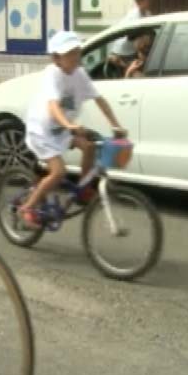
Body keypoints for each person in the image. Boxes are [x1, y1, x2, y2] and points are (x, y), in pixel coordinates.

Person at [17, 31, 125, 228]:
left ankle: (83, 190)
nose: (75, 56)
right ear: (57, 58)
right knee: (58, 172)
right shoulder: (53, 74)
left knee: (90, 147)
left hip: (61, 129)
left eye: (77, 51)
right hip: (42, 131)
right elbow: (53, 106)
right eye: (69, 53)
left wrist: (115, 125)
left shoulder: (79, 73)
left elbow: (99, 99)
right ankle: (27, 208)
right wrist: (69, 125)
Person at [108, 0, 154, 72]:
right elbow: (136, 41)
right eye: (148, 0)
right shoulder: (134, 17)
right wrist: (142, 56)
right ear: (139, 2)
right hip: (123, 52)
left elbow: (149, 34)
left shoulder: (148, 14)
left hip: (133, 50)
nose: (151, 2)